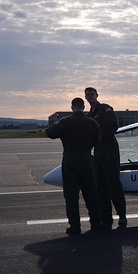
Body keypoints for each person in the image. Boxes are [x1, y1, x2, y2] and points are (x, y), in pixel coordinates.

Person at [45, 98, 101, 235]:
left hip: (70, 159)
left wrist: (58, 122)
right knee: (91, 192)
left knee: (71, 195)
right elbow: (98, 141)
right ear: (83, 107)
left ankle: (75, 226)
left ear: (72, 107)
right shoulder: (93, 122)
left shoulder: (65, 121)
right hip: (86, 158)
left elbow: (49, 132)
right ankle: (95, 222)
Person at [85, 87, 127, 228]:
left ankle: (122, 215)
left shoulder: (105, 109)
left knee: (113, 182)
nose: (89, 96)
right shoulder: (89, 115)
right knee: (101, 185)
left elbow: (114, 126)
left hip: (109, 148)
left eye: (91, 94)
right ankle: (106, 217)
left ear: (97, 95)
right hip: (98, 150)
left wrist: (99, 137)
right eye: (87, 95)